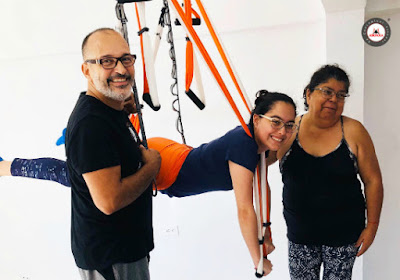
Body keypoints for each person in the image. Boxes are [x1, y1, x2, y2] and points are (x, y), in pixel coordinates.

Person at [0, 89, 299, 277]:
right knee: (73, 176)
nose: (283, 131)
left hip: (173, 154)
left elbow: (263, 187)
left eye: (289, 125)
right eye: (276, 122)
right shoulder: (244, 145)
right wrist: (257, 259)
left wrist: (266, 232)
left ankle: (83, 140)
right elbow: (245, 208)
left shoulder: (258, 151)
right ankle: (8, 166)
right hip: (163, 166)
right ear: (257, 118)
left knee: (81, 171)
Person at [69, 27, 161, 280]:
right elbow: (109, 201)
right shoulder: (92, 124)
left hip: (125, 250)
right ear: (86, 70)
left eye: (125, 59)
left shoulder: (108, 109)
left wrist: (122, 104)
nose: (120, 69)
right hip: (111, 257)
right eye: (106, 61)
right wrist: (152, 167)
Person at [276, 64, 383, 280]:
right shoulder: (288, 130)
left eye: (341, 95)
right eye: (327, 91)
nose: (334, 99)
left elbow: (373, 181)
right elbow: (259, 159)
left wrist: (372, 226)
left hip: (344, 235)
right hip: (300, 235)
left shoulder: (354, 131)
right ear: (308, 93)